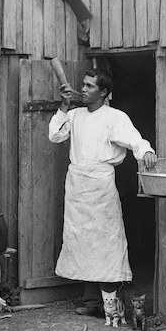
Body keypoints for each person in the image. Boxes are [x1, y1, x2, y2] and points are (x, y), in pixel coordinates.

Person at [48, 68, 157, 316]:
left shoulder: (114, 117)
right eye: (83, 85)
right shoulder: (74, 115)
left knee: (105, 241)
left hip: (100, 186)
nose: (83, 89)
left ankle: (111, 301)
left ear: (104, 92)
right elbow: (55, 135)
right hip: (77, 187)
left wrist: (145, 150)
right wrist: (64, 107)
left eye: (90, 86)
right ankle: (91, 303)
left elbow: (133, 139)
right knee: (82, 242)